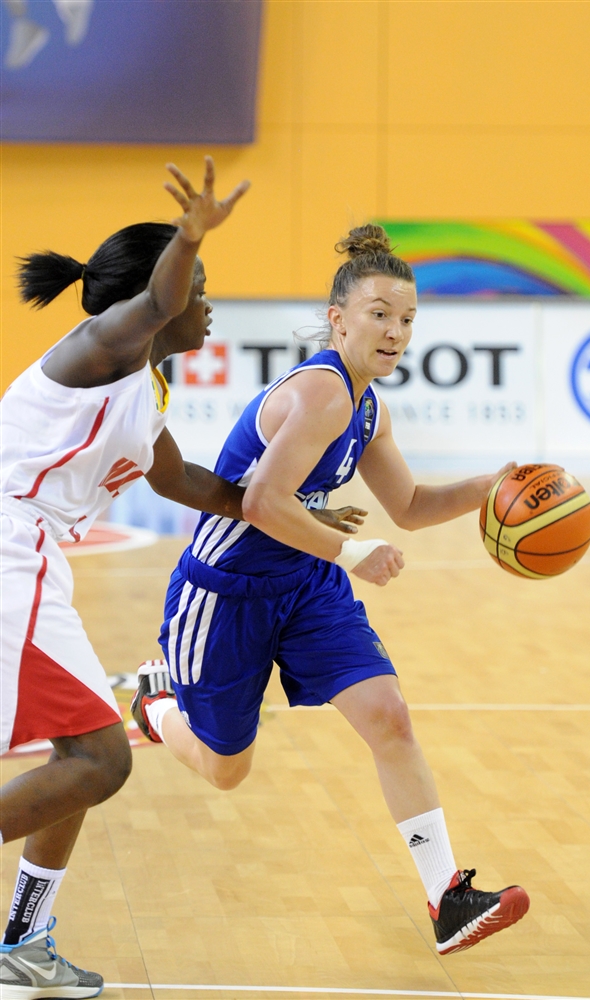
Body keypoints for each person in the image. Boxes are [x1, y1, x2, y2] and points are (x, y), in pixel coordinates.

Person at [0, 158, 362, 1000]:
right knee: (98, 759)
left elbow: (187, 485)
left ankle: (23, 938)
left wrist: (296, 515)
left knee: (84, 748)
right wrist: (191, 232)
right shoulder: (99, 348)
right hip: (10, 549)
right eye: (200, 287)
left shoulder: (140, 387)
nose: (205, 304)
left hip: (32, 561)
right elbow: (160, 302)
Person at [132, 224, 530, 957]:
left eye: (407, 318)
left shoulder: (368, 405)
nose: (394, 331)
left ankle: (447, 898)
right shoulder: (320, 391)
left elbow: (408, 505)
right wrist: (350, 551)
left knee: (388, 715)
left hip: (304, 583)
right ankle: (158, 709)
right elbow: (260, 505)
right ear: (338, 318)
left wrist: (489, 486)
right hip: (226, 592)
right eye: (379, 313)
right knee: (225, 771)